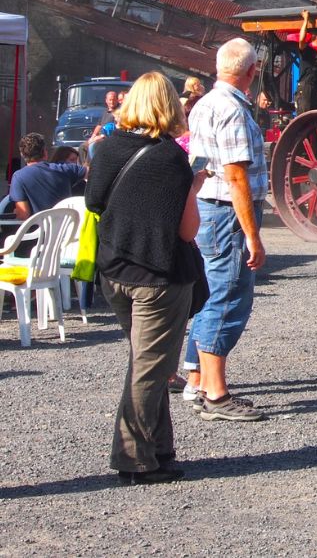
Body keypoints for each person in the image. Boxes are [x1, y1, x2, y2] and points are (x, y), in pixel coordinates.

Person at [85, 71, 206, 485]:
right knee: (149, 370)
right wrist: (192, 186)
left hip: (115, 271)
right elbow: (188, 231)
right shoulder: (170, 158)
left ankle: (159, 450)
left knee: (148, 365)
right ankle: (133, 459)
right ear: (169, 106)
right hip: (158, 277)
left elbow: (93, 200)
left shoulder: (107, 149)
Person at [182, 38, 268, 421]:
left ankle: (197, 379)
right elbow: (236, 176)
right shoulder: (232, 110)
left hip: (208, 207)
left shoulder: (203, 103)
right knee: (229, 296)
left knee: (208, 293)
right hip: (226, 213)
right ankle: (216, 396)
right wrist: (252, 235)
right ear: (251, 72)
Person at [9, 132, 87, 219]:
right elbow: (94, 172)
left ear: (22, 155)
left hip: (37, 231)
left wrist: (17, 212)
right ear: (45, 152)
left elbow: (23, 215)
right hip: (67, 229)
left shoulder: (18, 177)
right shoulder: (66, 169)